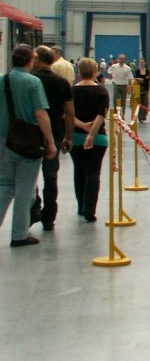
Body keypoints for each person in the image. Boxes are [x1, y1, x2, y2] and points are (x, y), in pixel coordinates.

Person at [0, 44, 57, 247]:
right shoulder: (33, 82)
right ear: (31, 60)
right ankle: (19, 234)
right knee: (25, 189)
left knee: (4, 185)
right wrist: (50, 142)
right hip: (27, 142)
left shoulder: (3, 80)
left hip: (4, 139)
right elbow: (40, 114)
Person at [30, 46, 74, 231]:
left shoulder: (31, 80)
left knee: (29, 176)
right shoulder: (62, 83)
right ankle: (49, 217)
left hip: (31, 133)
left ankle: (33, 208)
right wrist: (68, 137)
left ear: (38, 60)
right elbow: (69, 113)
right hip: (55, 133)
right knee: (50, 176)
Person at [69, 58, 109, 222]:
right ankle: (89, 209)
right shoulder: (101, 91)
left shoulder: (71, 91)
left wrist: (82, 126)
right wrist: (92, 133)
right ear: (95, 72)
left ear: (78, 72)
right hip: (98, 138)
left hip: (76, 137)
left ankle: (81, 205)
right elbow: (101, 114)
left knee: (79, 170)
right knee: (93, 172)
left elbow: (67, 114)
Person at [134, 57, 150, 123]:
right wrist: (139, 79)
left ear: (145, 63)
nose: (141, 63)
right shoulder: (137, 71)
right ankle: (140, 117)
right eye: (140, 62)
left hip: (145, 89)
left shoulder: (148, 71)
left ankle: (144, 116)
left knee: (145, 103)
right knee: (140, 103)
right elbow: (135, 78)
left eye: (142, 62)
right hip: (138, 89)